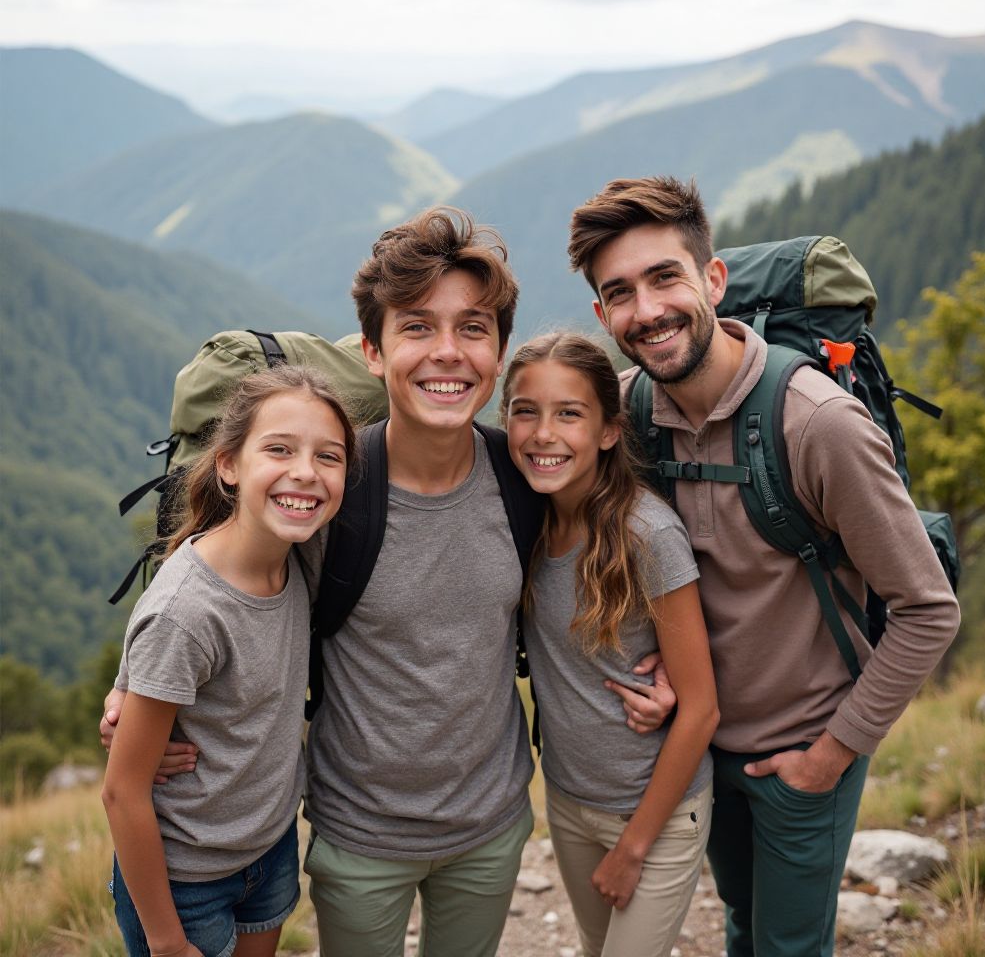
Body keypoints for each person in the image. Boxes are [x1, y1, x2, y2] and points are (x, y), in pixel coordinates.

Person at [102, 206, 675, 957]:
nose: (448, 352)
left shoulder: (526, 478)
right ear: (373, 351)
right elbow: (222, 573)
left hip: (491, 825)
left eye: (473, 328)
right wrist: (133, 689)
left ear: (499, 353)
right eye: (417, 327)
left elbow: (599, 559)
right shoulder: (328, 491)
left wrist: (661, 665)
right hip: (358, 835)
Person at [567, 176, 961, 957]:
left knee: (788, 947)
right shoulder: (628, 415)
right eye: (620, 293)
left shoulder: (817, 424)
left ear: (714, 281)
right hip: (698, 750)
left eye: (665, 277)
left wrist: (833, 754)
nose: (647, 310)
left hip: (803, 748)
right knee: (745, 925)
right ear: (603, 316)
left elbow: (928, 609)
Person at [102, 366, 355, 957]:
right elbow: (122, 793)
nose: (305, 472)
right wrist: (167, 942)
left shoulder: (296, 554)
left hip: (269, 849)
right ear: (228, 465)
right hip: (184, 881)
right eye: (279, 449)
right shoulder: (189, 612)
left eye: (329, 456)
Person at [500, 332, 718, 957]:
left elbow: (701, 709)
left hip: (656, 813)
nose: (543, 434)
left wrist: (634, 848)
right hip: (569, 802)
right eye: (525, 411)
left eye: (569, 413)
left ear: (608, 432)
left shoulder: (646, 534)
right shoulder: (528, 519)